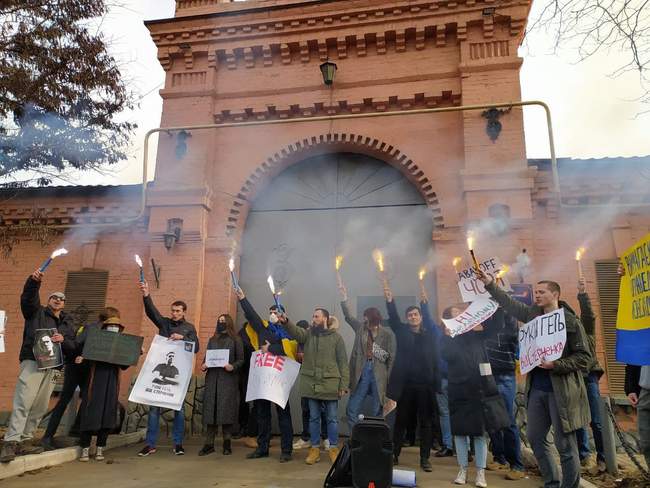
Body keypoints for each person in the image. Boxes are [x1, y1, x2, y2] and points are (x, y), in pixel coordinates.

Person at [476, 270, 591, 488]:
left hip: (562, 391)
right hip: (537, 389)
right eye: (535, 292)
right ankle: (551, 482)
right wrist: (490, 284)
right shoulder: (532, 315)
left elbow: (584, 357)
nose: (536, 295)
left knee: (565, 444)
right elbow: (508, 303)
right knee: (536, 438)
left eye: (541, 292)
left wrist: (556, 365)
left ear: (555, 294)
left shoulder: (569, 321)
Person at [1, 269, 75, 463]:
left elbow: (72, 346)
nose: (58, 300)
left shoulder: (67, 323)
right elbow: (28, 299)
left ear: (64, 304)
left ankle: (25, 440)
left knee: (40, 406)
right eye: (54, 297)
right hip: (34, 361)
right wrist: (33, 283)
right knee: (24, 400)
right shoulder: (36, 312)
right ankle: (11, 441)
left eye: (61, 299)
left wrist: (63, 340)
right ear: (49, 300)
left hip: (54, 367)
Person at [441, 305, 511, 488]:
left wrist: (497, 306)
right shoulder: (446, 339)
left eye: (462, 315)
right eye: (455, 315)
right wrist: (448, 337)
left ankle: (480, 472)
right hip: (458, 390)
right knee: (460, 433)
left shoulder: (477, 335)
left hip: (479, 389)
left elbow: (496, 326)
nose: (461, 317)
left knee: (480, 434)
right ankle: (462, 469)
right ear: (448, 321)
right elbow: (447, 356)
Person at [41, 307, 121, 451]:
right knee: (65, 400)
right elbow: (77, 343)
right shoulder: (90, 328)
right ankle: (48, 436)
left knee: (87, 401)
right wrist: (79, 354)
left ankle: (76, 431)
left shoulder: (109, 333)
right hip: (76, 367)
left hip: (89, 370)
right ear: (107, 319)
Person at [137, 280, 199, 457]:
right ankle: (150, 444)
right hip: (159, 374)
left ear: (184, 312)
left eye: (178, 311)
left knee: (178, 409)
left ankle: (178, 444)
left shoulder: (189, 328)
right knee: (154, 409)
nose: (174, 313)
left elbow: (197, 347)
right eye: (173, 310)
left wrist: (183, 338)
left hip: (178, 377)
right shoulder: (164, 323)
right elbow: (151, 312)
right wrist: (146, 294)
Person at [236, 286, 297, 463]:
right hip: (262, 379)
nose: (272, 314)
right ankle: (262, 448)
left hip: (279, 381)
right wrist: (242, 298)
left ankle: (286, 450)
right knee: (262, 413)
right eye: (270, 312)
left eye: (275, 312)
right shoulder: (263, 329)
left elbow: (291, 349)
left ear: (282, 316)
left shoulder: (288, 332)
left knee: (283, 415)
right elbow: (252, 315)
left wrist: (270, 348)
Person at [280, 308, 349, 464]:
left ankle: (333, 448)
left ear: (325, 319)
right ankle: (315, 449)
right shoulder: (308, 334)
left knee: (332, 419)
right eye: (313, 316)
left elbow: (343, 363)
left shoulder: (337, 338)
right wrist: (285, 321)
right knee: (313, 418)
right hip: (311, 384)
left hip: (330, 384)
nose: (313, 319)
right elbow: (296, 332)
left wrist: (343, 384)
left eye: (316, 316)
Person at [383, 281, 440, 472]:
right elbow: (392, 317)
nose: (412, 317)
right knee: (400, 422)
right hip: (406, 386)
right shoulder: (401, 332)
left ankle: (425, 459)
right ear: (407, 319)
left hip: (426, 386)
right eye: (410, 315)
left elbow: (431, 319)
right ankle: (394, 454)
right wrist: (389, 301)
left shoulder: (430, 333)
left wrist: (425, 302)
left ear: (421, 317)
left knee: (426, 423)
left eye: (416, 314)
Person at [338, 283, 396, 432]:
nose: (366, 323)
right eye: (364, 320)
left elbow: (390, 358)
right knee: (352, 409)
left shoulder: (387, 334)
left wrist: (388, 380)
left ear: (376, 320)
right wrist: (344, 297)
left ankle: (374, 439)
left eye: (368, 320)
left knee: (378, 411)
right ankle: (356, 438)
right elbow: (348, 316)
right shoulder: (360, 328)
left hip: (379, 374)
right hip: (361, 371)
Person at [74, 315, 132, 462]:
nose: (114, 329)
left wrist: (134, 353)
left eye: (116, 327)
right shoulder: (96, 342)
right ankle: (85, 448)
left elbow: (124, 365)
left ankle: (100, 447)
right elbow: (87, 359)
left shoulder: (120, 345)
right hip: (96, 382)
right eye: (111, 326)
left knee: (107, 415)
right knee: (90, 413)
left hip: (112, 383)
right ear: (105, 328)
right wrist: (82, 358)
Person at [483, 305, 525, 480]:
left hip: (505, 376)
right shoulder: (485, 329)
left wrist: (501, 306)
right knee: (492, 420)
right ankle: (499, 457)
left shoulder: (511, 328)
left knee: (507, 421)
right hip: (487, 375)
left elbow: (510, 322)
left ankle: (517, 465)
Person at [199, 314, 244, 457]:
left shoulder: (236, 339)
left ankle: (227, 443)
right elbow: (207, 357)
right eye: (219, 321)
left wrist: (233, 366)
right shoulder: (212, 340)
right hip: (212, 378)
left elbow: (241, 359)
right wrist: (204, 365)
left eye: (223, 321)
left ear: (229, 323)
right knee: (211, 410)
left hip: (228, 379)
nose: (221, 323)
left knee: (226, 412)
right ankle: (209, 444)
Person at [573, 278, 606, 472]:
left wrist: (582, 294)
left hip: (590, 378)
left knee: (597, 421)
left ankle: (602, 458)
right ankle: (584, 455)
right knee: (578, 421)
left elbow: (588, 314)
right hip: (574, 379)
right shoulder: (568, 336)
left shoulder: (587, 330)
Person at [293, 320, 330, 451]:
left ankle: (326, 438)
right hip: (307, 381)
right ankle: (306, 438)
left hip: (321, 381)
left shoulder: (318, 339)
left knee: (324, 410)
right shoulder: (298, 342)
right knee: (306, 410)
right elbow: (298, 359)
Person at [625, 364, 650, 469]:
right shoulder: (641, 346)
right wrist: (631, 389)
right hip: (644, 391)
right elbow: (632, 360)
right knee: (646, 442)